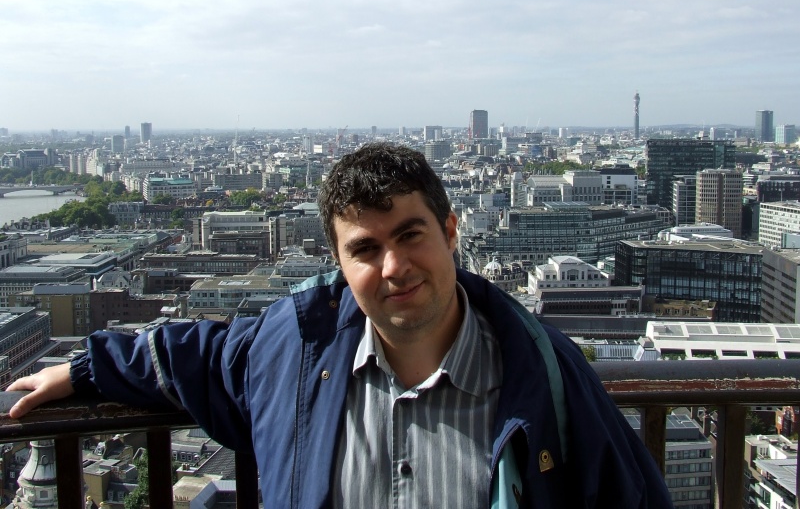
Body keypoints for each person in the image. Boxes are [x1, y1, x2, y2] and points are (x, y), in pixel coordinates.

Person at [8, 143, 673, 508]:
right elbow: (199, 353)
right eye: (364, 249)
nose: (393, 267)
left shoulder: (546, 377)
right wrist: (84, 369)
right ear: (338, 262)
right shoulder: (291, 355)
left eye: (410, 235)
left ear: (450, 232)